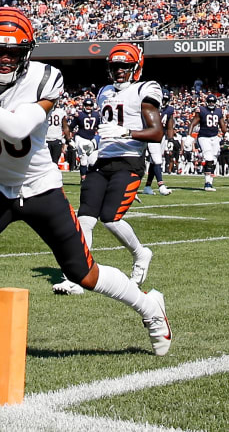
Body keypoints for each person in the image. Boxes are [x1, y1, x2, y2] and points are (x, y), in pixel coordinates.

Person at [0, 9, 171, 384]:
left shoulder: (46, 77)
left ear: (26, 53)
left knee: (84, 273)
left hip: (40, 186)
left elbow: (16, 129)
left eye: (13, 53)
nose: (4, 59)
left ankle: (149, 306)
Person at [53, 43, 162, 296]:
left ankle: (140, 253)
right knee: (84, 220)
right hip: (102, 161)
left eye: (124, 66)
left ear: (136, 67)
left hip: (129, 161)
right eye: (115, 67)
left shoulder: (146, 89)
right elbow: (106, 130)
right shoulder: (104, 92)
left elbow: (156, 133)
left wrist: (127, 132)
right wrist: (92, 144)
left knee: (111, 218)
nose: (120, 71)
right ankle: (77, 277)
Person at [193, 94, 226, 191]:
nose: (211, 103)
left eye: (213, 101)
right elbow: (193, 122)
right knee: (209, 159)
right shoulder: (202, 110)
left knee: (214, 160)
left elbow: (222, 123)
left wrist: (226, 133)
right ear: (207, 102)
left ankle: (210, 182)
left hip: (215, 137)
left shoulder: (219, 111)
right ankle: (207, 183)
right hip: (204, 137)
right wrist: (188, 135)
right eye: (210, 101)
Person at [143, 89, 173, 195]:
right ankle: (161, 186)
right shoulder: (150, 107)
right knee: (157, 160)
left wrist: (170, 140)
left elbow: (170, 126)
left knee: (153, 162)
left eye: (165, 100)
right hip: (151, 135)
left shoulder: (169, 110)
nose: (163, 102)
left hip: (162, 137)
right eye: (162, 99)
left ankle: (147, 186)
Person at [71, 97, 100, 181]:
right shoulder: (79, 115)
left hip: (92, 139)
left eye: (90, 105)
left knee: (93, 160)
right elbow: (71, 127)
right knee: (83, 159)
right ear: (84, 106)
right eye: (87, 105)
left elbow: (99, 127)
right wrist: (70, 139)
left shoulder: (96, 115)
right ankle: (83, 178)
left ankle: (90, 177)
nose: (88, 107)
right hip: (81, 138)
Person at [45, 96, 67, 166]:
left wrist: (68, 140)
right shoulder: (45, 111)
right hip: (47, 139)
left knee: (54, 163)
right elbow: (66, 127)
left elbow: (65, 127)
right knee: (48, 163)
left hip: (55, 139)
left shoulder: (60, 112)